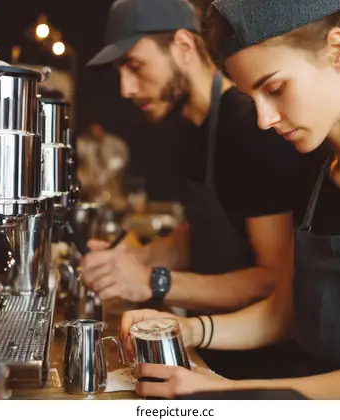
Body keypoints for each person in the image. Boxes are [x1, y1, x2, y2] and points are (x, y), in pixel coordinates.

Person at [119, 0, 340, 399]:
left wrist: (229, 392)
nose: (263, 118)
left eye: (274, 89)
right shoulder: (315, 168)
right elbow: (283, 312)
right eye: (252, 97)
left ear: (338, 51)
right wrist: (188, 329)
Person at [83, 0, 302, 380]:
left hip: (262, 369)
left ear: (184, 46)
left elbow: (272, 278)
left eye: (135, 66)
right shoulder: (190, 129)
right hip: (213, 352)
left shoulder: (251, 127)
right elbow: (204, 231)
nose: (126, 89)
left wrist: (153, 280)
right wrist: (131, 260)